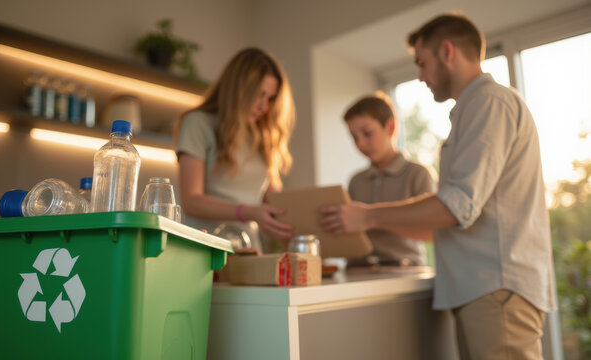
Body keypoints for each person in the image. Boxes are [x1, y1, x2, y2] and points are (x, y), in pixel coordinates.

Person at [319, 13, 555, 359]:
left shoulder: (489, 103)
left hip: (496, 287)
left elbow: (456, 205)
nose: (420, 76)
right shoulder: (472, 109)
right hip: (482, 289)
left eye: (422, 63)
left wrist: (368, 217)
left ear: (447, 51)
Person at [174, 47, 295, 252]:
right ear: (237, 89)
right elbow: (191, 201)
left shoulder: (264, 136)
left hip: (247, 249)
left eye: (270, 98)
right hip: (204, 247)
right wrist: (248, 212)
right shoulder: (198, 123)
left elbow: (274, 202)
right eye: (259, 95)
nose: (264, 106)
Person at [342, 92, 435, 266]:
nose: (360, 144)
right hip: (360, 271)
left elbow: (434, 231)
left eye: (367, 133)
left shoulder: (417, 174)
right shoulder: (356, 181)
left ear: (390, 128)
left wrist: (370, 218)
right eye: (354, 138)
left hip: (405, 270)